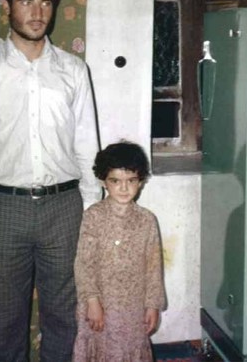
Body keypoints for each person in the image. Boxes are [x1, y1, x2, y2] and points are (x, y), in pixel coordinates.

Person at [0, 0, 100, 362]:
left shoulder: (74, 70)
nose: (37, 13)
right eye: (26, 2)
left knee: (65, 314)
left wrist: (90, 210)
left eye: (45, 3)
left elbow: (87, 145)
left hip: (64, 207)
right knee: (3, 316)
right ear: (7, 5)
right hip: (3, 208)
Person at [73, 141, 166, 361]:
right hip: (100, 303)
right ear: (103, 181)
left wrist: (152, 305)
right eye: (115, 181)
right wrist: (92, 301)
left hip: (133, 305)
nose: (124, 188)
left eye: (131, 181)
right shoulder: (93, 216)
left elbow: (154, 268)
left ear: (140, 181)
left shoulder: (147, 220)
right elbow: (84, 264)